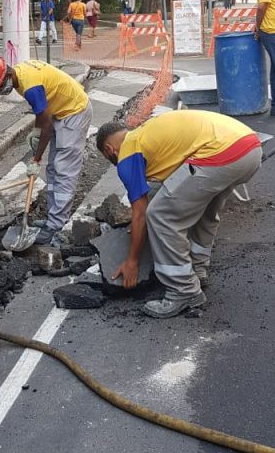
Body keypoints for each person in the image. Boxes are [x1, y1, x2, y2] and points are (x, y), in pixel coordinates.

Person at [96, 110, 262, 319]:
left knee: (160, 216)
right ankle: (197, 269)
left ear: (109, 149)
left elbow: (141, 214)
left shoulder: (128, 154)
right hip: (249, 148)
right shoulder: (146, 134)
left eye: (108, 156)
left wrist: (132, 261)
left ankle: (183, 291)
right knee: (204, 211)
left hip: (219, 153)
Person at [0, 55, 92, 246]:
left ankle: (56, 224)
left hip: (74, 112)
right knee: (54, 169)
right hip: (61, 111)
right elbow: (41, 114)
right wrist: (35, 133)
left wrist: (36, 158)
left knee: (64, 170)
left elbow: (46, 124)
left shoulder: (30, 87)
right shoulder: (21, 74)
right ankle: (53, 217)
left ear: (7, 75)